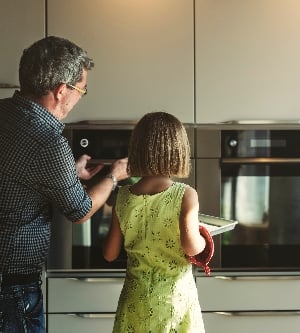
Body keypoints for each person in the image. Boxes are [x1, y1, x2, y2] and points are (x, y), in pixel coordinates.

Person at [0, 36, 128, 333]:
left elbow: (18, 175)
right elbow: (80, 211)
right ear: (61, 91)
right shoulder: (48, 141)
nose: (81, 96)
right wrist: (114, 176)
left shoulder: (5, 112)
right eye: (82, 89)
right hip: (12, 284)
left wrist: (67, 173)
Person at [103, 111, 208, 332]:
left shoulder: (123, 196)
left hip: (135, 301)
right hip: (173, 302)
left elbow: (110, 254)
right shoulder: (185, 195)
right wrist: (204, 238)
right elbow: (192, 246)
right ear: (178, 151)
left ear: (137, 150)